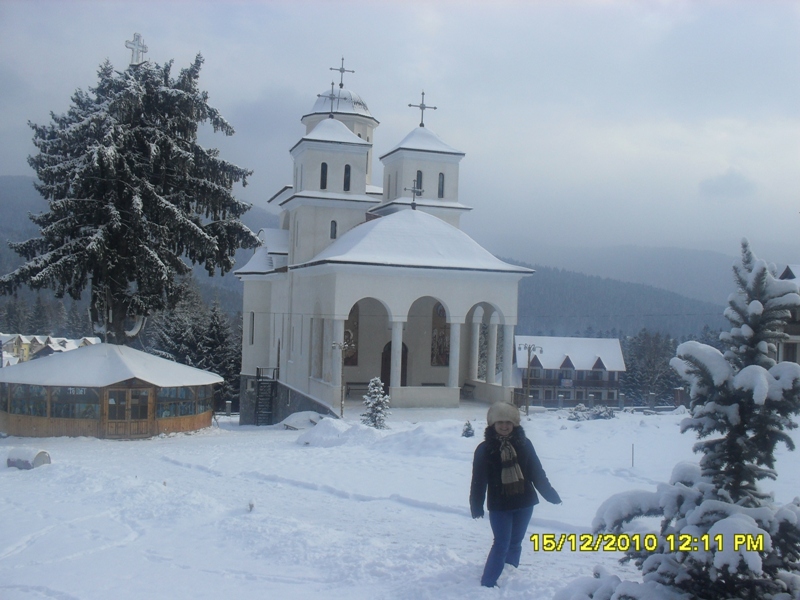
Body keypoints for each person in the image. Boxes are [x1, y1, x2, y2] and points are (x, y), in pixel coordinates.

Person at [469, 402, 561, 588]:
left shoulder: (525, 444)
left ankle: (510, 572)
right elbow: (478, 480)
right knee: (501, 543)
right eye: (500, 422)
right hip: (500, 505)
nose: (504, 426)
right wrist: (476, 504)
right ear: (492, 424)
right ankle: (488, 583)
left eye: (509, 422)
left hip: (525, 502)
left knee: (516, 542)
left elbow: (536, 472)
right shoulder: (485, 449)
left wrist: (550, 494)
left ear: (515, 424)